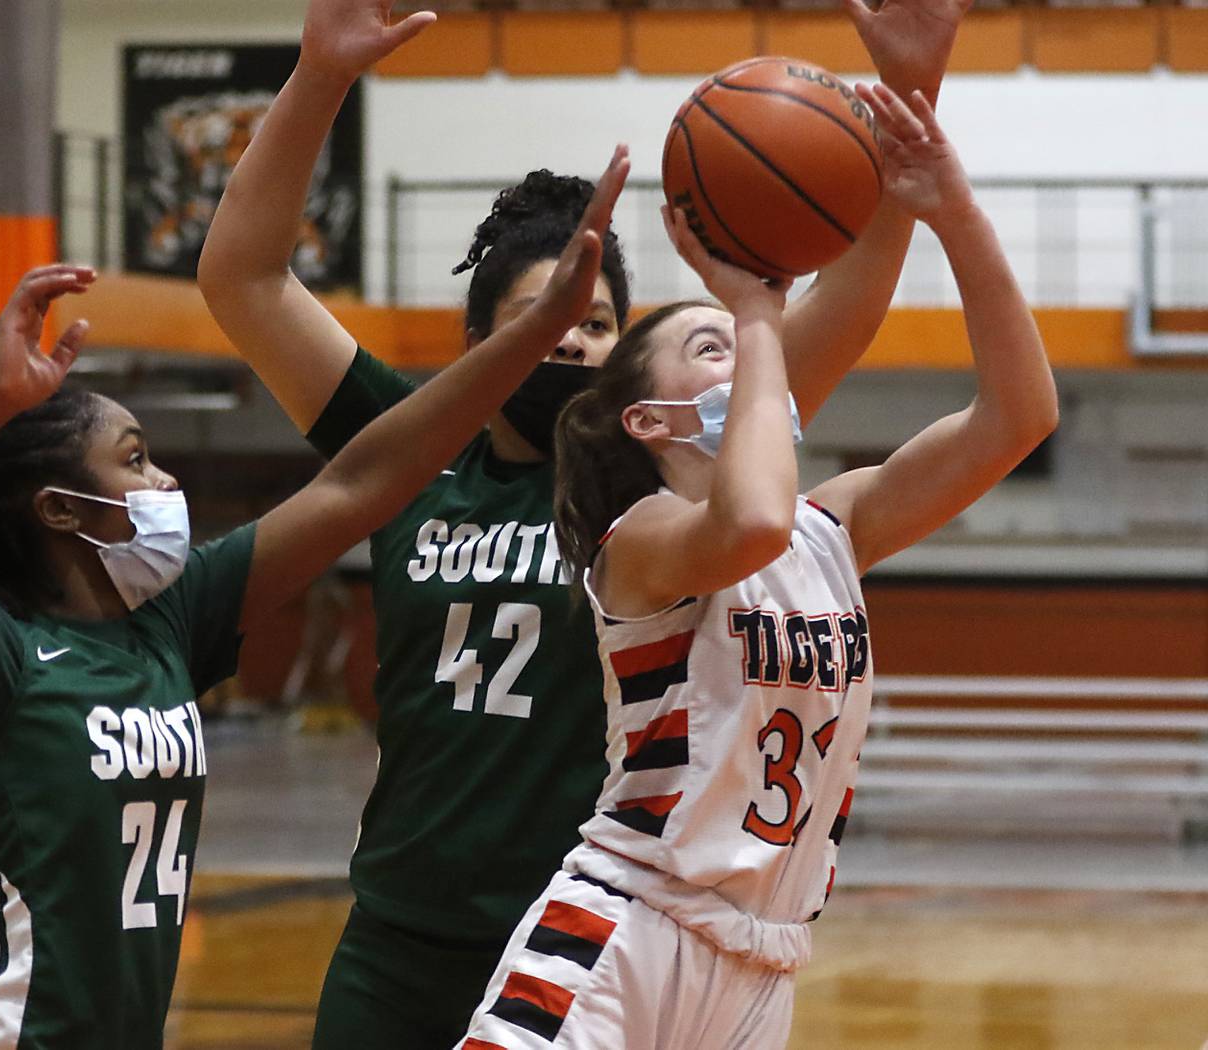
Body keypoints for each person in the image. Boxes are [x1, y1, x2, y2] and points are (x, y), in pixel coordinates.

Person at [196, 1, 970, 1045]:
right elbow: (242, 276)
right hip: (400, 941)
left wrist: (909, 99)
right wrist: (320, 75)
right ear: (478, 343)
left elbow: (837, 309)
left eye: (596, 323)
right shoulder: (408, 452)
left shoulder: (662, 481)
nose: (570, 340)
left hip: (585, 938)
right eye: (542, 318)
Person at [0, 146, 623, 1050]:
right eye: (137, 460)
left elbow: (359, 482)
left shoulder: (172, 624)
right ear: (61, 508)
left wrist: (535, 335)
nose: (167, 481)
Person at [454, 83, 1057, 1050]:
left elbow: (1019, 416)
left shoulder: (835, 527)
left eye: (744, 338)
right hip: (627, 931)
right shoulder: (640, 540)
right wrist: (760, 312)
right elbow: (749, 523)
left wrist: (953, 208)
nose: (745, 345)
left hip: (765, 963)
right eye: (710, 344)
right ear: (648, 421)